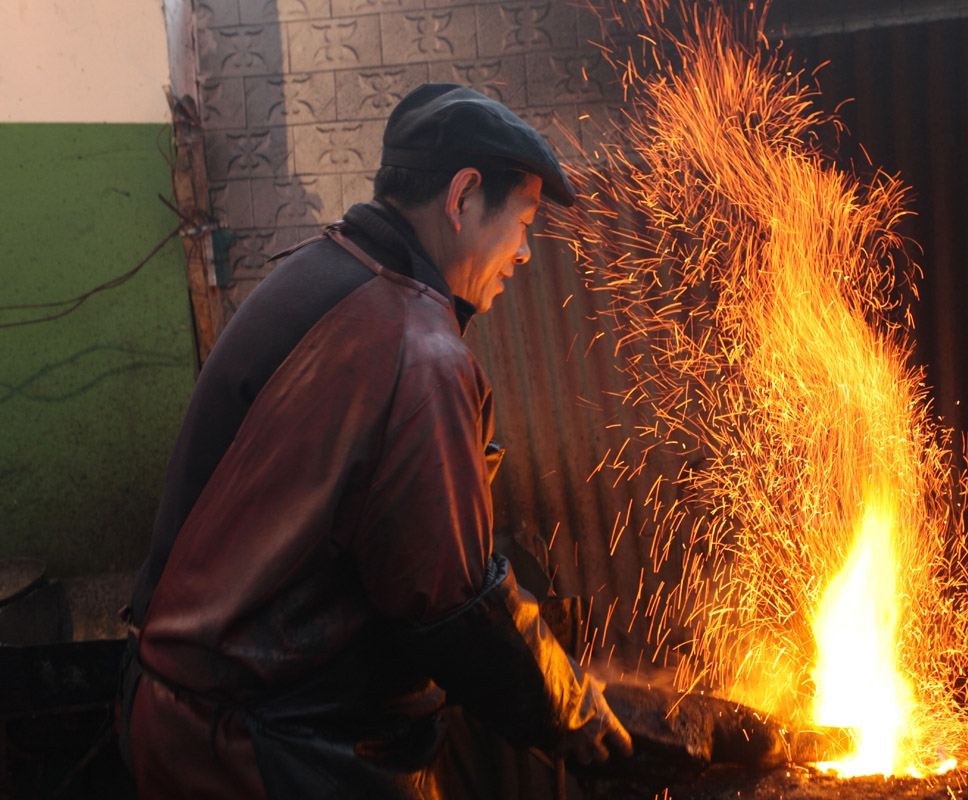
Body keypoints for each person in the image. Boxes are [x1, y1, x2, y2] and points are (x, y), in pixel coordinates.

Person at [117, 83, 632, 799]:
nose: (522, 253)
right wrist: (574, 720)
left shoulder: (328, 272)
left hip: (191, 714)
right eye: (522, 222)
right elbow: (450, 602)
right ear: (462, 196)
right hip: (264, 748)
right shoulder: (413, 345)